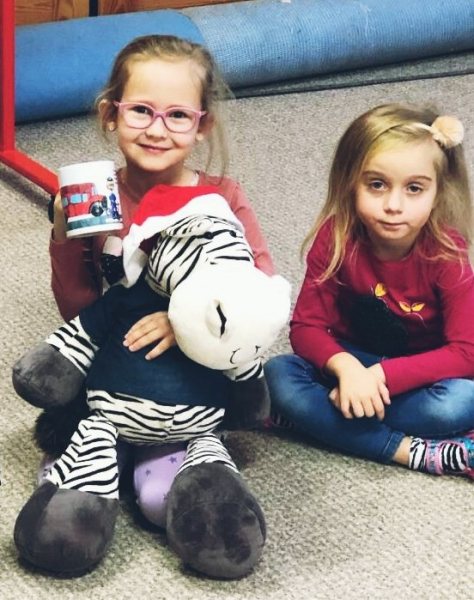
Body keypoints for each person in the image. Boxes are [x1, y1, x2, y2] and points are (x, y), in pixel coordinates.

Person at [45, 34, 274, 530]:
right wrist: (63, 231)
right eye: (140, 111)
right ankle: (102, 448)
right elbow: (78, 309)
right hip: (116, 361)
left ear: (202, 125)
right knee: (62, 392)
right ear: (110, 114)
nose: (156, 130)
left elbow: (259, 296)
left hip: (190, 375)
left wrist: (185, 320)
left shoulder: (222, 198)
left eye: (177, 116)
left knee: (158, 499)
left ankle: (166, 453)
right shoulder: (100, 197)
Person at [265, 103, 474, 479]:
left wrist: (381, 377)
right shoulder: (335, 238)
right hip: (351, 363)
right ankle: (411, 452)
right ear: (351, 182)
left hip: (418, 376)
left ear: (438, 192)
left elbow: (465, 352)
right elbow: (306, 328)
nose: (393, 205)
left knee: (459, 403)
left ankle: (318, 419)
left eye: (414, 189)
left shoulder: (447, 253)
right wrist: (348, 370)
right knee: (277, 375)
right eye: (377, 184)